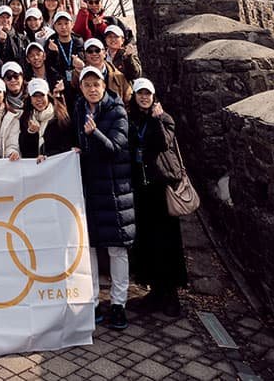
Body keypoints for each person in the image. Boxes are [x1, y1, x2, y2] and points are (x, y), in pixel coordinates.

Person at [71, 66, 134, 330]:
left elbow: (116, 148)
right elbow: (79, 142)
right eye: (87, 85)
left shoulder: (117, 110)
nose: (92, 89)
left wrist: (93, 134)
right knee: (92, 247)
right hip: (88, 187)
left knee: (117, 249)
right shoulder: (78, 109)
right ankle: (94, 299)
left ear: (104, 85)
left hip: (114, 190)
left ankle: (119, 304)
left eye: (96, 84)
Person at [128, 78, 187, 317]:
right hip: (142, 189)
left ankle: (171, 294)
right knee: (147, 241)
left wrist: (155, 120)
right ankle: (154, 291)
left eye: (147, 93)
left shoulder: (164, 119)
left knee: (167, 242)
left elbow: (164, 143)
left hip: (162, 188)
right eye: (140, 93)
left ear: (154, 95)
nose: (144, 97)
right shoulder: (132, 119)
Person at [18, 78, 74, 159]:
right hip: (35, 168)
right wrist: (31, 133)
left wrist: (46, 156)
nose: (39, 100)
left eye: (42, 95)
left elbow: (67, 145)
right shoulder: (25, 118)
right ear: (30, 99)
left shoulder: (61, 116)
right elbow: (25, 151)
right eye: (35, 96)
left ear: (47, 95)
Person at [73, 38, 133, 107]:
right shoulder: (78, 72)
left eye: (97, 50)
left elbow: (128, 98)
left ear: (104, 53)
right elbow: (75, 86)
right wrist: (79, 70)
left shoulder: (118, 76)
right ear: (85, 55)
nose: (94, 54)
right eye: (90, 51)